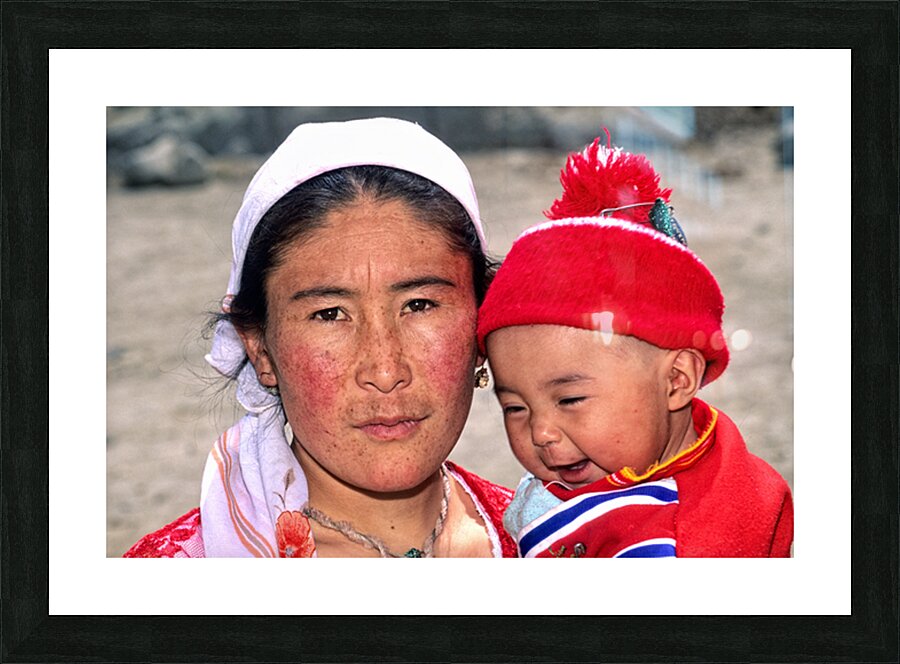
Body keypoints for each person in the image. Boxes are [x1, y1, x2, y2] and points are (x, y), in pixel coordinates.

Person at [125, 117, 517, 558]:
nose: (385, 371)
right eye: (330, 314)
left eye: (419, 305)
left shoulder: (552, 542)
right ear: (259, 348)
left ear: (481, 320)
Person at [475, 134, 794, 558]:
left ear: (676, 379)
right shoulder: (653, 460)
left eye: (570, 399)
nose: (541, 432)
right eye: (515, 407)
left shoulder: (674, 546)